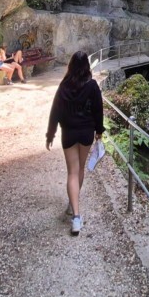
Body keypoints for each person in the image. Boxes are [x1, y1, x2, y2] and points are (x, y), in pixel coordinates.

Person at [46, 51, 104, 236]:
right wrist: (99, 131)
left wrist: (50, 134)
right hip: (86, 132)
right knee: (80, 169)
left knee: (72, 171)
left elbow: (55, 112)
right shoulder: (92, 85)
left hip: (69, 132)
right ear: (87, 66)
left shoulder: (64, 86)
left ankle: (75, 214)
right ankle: (74, 207)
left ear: (70, 66)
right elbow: (98, 110)